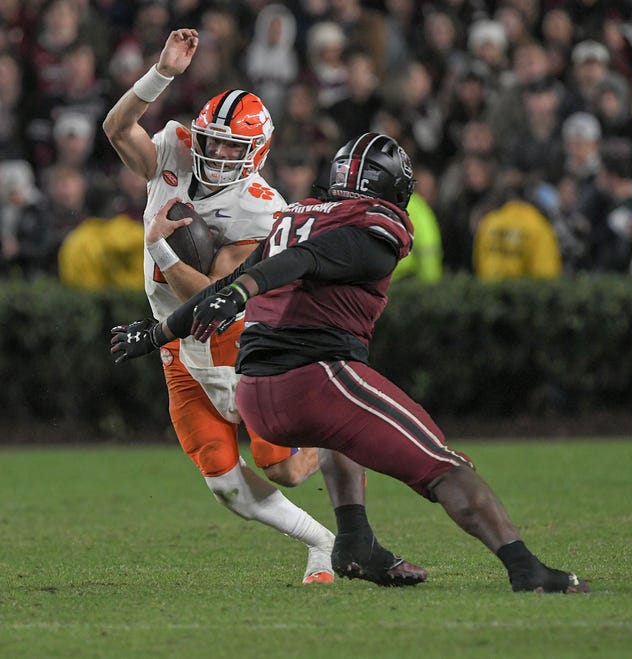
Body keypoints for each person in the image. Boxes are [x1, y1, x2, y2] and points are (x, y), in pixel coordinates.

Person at [112, 132, 589, 594]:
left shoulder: (296, 212)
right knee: (443, 465)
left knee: (337, 431)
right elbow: (302, 261)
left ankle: (355, 541)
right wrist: (241, 292)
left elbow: (236, 277)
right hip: (315, 376)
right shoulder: (372, 224)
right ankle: (525, 567)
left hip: (256, 389)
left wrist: (157, 332)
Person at [103, 29, 423, 587]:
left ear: (256, 153)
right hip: (175, 343)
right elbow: (115, 129)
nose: (218, 152)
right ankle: (321, 542)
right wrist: (163, 73)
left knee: (284, 468)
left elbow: (209, 302)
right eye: (213, 139)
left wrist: (157, 244)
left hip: (228, 336)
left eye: (233, 146)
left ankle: (331, 432)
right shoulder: (177, 146)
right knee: (224, 483)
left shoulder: (262, 211)